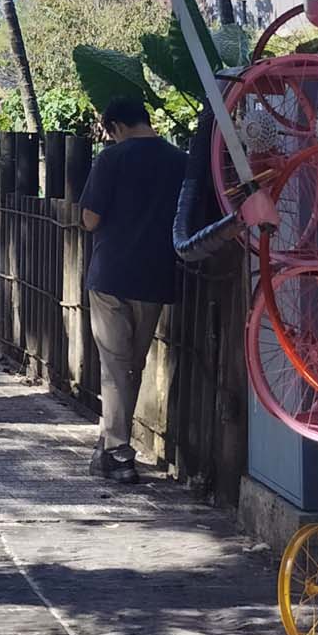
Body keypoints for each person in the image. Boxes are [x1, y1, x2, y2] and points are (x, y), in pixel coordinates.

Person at [80, 95, 186, 484]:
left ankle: (118, 452)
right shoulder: (181, 161)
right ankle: (110, 445)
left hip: (110, 276)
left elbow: (90, 219)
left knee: (114, 368)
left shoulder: (111, 159)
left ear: (117, 127)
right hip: (155, 276)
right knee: (131, 367)